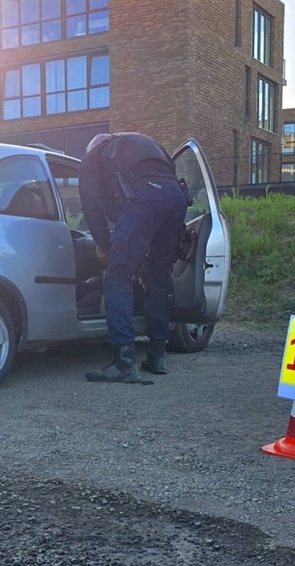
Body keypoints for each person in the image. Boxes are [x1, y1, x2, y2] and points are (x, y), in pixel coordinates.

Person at [78, 132, 188, 383]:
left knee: (117, 274)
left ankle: (124, 363)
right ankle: (157, 355)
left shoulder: (94, 156)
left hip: (144, 198)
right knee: (157, 275)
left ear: (94, 146)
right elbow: (169, 173)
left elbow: (91, 204)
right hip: (177, 200)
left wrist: (103, 243)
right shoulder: (144, 144)